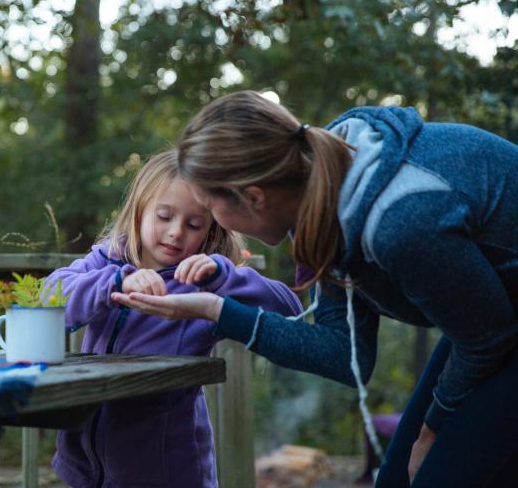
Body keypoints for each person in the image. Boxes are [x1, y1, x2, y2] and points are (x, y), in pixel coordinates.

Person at [111, 90, 518, 487]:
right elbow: (345, 354)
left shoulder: (398, 222)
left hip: (495, 330)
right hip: (492, 321)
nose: (216, 222)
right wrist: (218, 311)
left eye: (210, 207)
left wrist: (432, 430)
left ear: (253, 197)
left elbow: (488, 339)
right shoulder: (319, 197)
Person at [48, 149, 302, 488]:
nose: (175, 232)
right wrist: (113, 283)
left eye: (193, 224)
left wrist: (223, 278)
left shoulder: (203, 280)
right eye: (164, 216)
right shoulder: (105, 261)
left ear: (210, 231)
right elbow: (47, 296)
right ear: (138, 212)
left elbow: (292, 311)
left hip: (165, 472)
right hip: (86, 467)